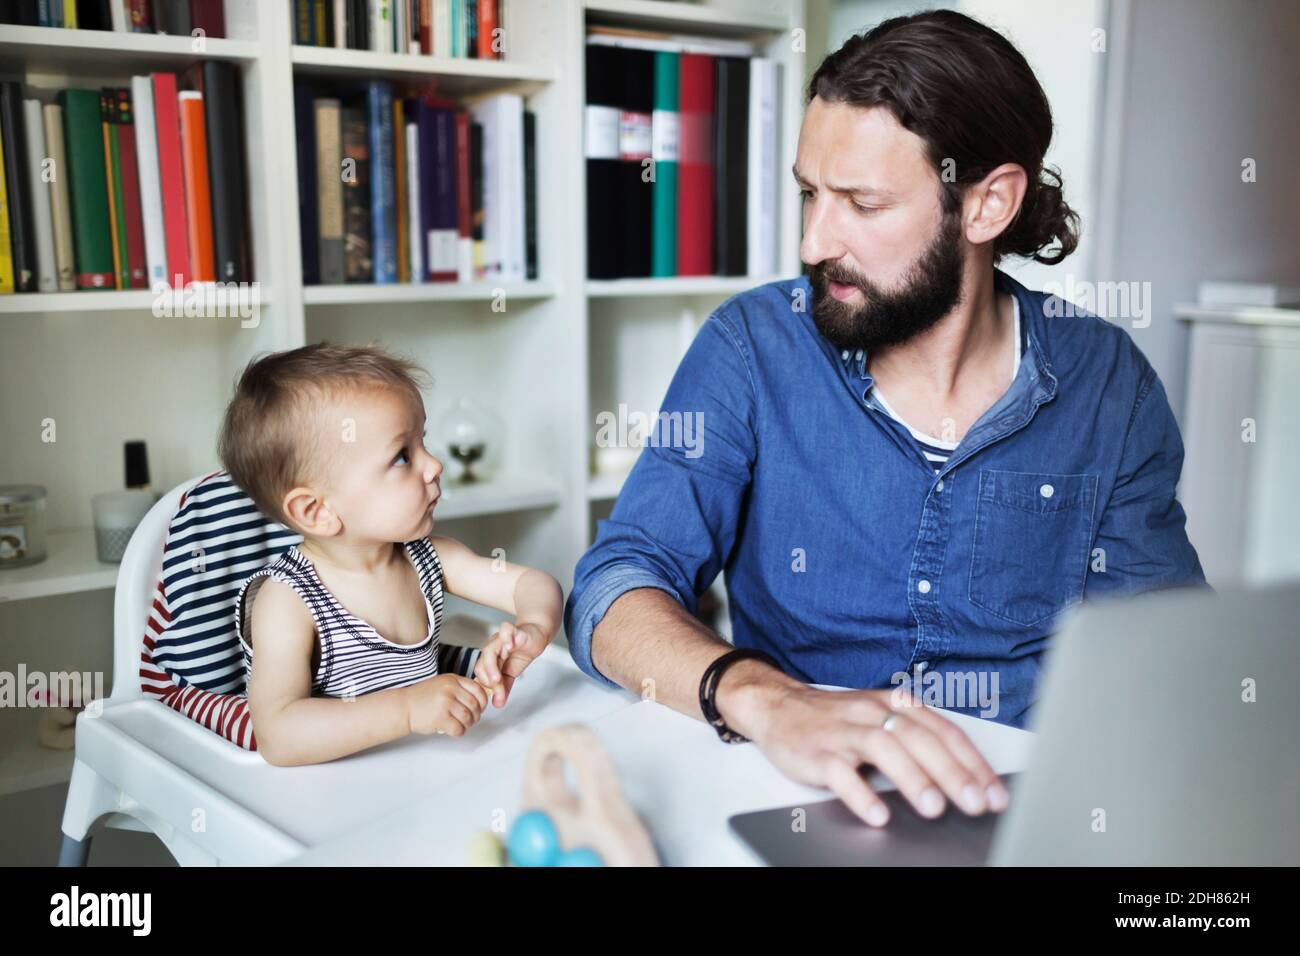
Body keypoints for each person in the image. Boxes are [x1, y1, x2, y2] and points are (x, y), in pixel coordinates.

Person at [565, 10, 1206, 827]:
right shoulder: (751, 348)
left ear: (987, 206)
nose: (810, 242)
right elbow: (615, 587)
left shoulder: (1107, 379)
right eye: (808, 194)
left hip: (1026, 814)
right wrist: (763, 698)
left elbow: (1161, 656)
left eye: (861, 205)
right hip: (802, 800)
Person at [220, 343, 562, 765]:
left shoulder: (428, 558)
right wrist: (407, 709)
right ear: (317, 510)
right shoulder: (289, 600)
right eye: (403, 455)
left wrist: (532, 626)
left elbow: (533, 584)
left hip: (423, 772)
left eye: (424, 441)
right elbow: (279, 735)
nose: (435, 464)